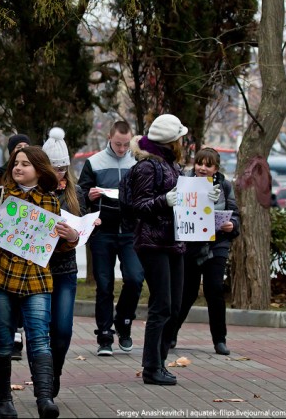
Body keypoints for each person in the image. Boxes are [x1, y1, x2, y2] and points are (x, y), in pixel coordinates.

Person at [0, 146, 80, 419]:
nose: (18, 168)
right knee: (4, 340)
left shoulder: (51, 201)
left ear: (40, 171)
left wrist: (72, 237)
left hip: (38, 279)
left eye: (25, 164)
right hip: (1, 278)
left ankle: (45, 399)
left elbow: (56, 248)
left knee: (40, 339)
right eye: (16, 163)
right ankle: (4, 401)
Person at [128, 114, 191, 386]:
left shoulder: (170, 165)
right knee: (162, 305)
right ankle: (152, 367)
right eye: (180, 137)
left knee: (174, 306)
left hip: (173, 241)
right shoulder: (148, 167)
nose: (183, 141)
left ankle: (160, 362)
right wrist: (164, 201)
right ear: (172, 141)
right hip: (153, 242)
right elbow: (138, 206)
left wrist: (202, 199)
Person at [77, 121, 144, 356]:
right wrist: (90, 195)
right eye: (118, 144)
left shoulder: (137, 161)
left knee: (135, 279)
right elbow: (80, 194)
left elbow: (145, 192)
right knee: (104, 284)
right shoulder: (94, 162)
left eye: (127, 144)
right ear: (109, 137)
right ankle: (104, 335)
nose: (122, 149)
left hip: (129, 231)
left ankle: (124, 322)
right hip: (102, 231)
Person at [172, 147, 240, 356]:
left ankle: (219, 340)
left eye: (208, 165)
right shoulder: (183, 181)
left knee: (214, 289)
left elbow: (234, 214)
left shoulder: (225, 186)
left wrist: (232, 225)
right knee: (187, 292)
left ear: (215, 168)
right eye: (199, 163)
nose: (202, 168)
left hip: (216, 244)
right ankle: (171, 334)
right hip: (191, 243)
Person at [41, 128, 86, 398]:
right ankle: (44, 378)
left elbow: (82, 228)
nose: (58, 174)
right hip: (37, 270)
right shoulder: (32, 193)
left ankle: (54, 371)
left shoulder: (75, 192)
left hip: (66, 270)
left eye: (62, 168)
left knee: (63, 329)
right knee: (39, 330)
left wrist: (78, 232)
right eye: (53, 168)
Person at [0, 133, 32, 360]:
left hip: (26, 251)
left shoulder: (44, 195)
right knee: (3, 305)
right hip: (2, 249)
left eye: (25, 149)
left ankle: (18, 336)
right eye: (17, 149)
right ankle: (6, 338)